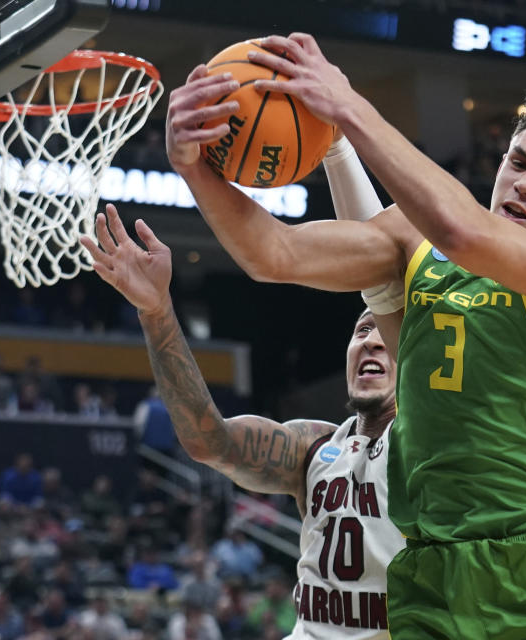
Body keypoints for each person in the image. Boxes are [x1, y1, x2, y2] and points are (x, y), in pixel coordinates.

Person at [164, 32, 526, 637]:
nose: (524, 184)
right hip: (428, 570)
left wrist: (348, 110)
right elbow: (273, 254)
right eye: (518, 163)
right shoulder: (414, 240)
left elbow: (466, 234)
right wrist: (194, 167)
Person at [80, 206, 404, 638]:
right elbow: (208, 440)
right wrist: (157, 312)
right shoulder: (313, 447)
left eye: (386, 333)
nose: (372, 342)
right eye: (362, 331)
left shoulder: (434, 448)